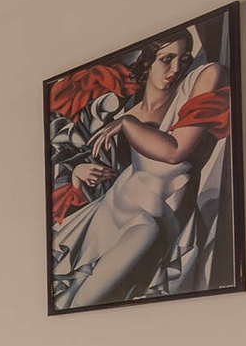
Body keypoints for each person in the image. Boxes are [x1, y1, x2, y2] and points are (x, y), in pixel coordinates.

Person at [51, 27, 232, 310]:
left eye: (184, 59)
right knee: (67, 301)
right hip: (104, 215)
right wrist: (78, 173)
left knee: (86, 303)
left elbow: (175, 152)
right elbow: (81, 171)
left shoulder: (190, 91)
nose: (176, 68)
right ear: (148, 62)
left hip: (147, 222)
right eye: (166, 59)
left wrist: (128, 125)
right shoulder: (118, 114)